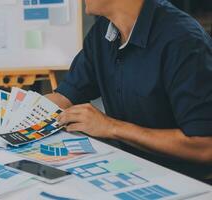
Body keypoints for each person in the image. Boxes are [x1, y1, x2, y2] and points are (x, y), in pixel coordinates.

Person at [47, 0, 212, 181]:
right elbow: (64, 97)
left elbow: (205, 146)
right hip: (128, 171)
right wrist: (17, 114)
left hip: (184, 182)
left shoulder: (184, 41)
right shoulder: (104, 31)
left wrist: (111, 127)